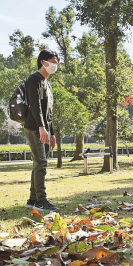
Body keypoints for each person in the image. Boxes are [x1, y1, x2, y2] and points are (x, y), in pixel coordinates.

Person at [24, 49, 59, 211]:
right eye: (52, 62)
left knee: (38, 163)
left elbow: (48, 111)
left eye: (57, 62)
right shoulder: (35, 79)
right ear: (43, 62)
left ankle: (32, 199)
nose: (55, 65)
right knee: (41, 163)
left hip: (44, 129)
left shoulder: (47, 82)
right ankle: (41, 201)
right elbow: (35, 106)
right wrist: (41, 127)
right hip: (35, 128)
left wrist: (51, 133)